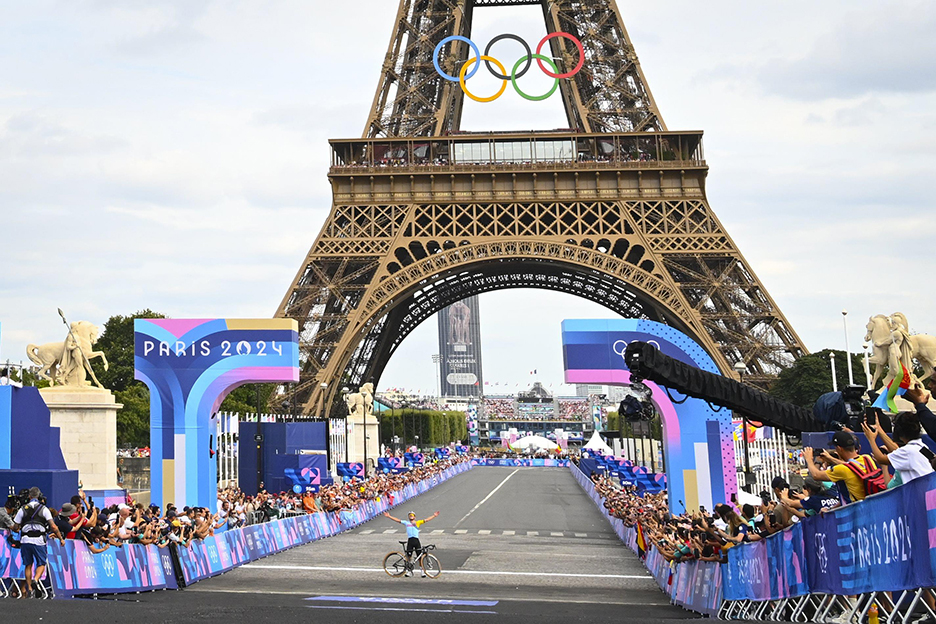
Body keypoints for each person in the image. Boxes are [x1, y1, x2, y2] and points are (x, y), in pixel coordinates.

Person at [12, 487, 65, 598]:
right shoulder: (44, 509)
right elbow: (53, 526)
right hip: (39, 540)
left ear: (29, 497)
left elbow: (16, 525)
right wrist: (61, 538)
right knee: (41, 563)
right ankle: (36, 579)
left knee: (28, 565)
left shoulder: (22, 509)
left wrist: (17, 529)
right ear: (39, 497)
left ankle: (30, 588)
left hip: (25, 540)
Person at [804, 431, 883, 503]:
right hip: (875, 503)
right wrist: (831, 458)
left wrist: (809, 459)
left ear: (839, 448)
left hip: (860, 510)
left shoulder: (842, 469)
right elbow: (852, 466)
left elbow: (816, 475)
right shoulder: (866, 458)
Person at [862, 412, 935, 487]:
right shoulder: (922, 447)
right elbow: (897, 451)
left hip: (918, 494)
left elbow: (880, 459)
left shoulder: (908, 451)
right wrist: (878, 428)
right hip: (929, 491)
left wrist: (871, 439)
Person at [382, 509, 440, 577]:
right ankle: (409, 571)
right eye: (410, 515)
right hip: (410, 541)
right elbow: (397, 520)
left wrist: (434, 516)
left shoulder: (418, 522)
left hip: (416, 541)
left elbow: (426, 520)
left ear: (415, 517)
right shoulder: (406, 523)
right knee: (409, 557)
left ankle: (422, 572)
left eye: (412, 515)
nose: (411, 516)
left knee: (419, 557)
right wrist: (389, 516)